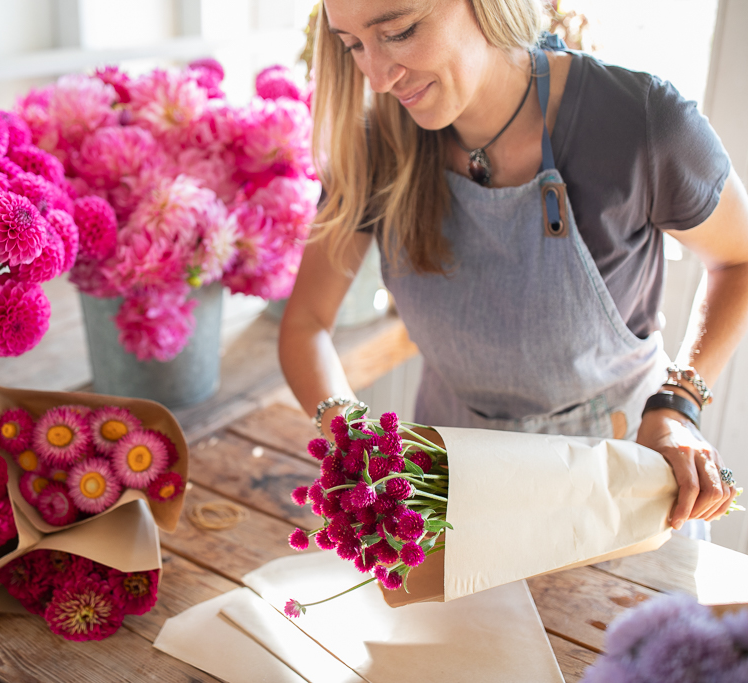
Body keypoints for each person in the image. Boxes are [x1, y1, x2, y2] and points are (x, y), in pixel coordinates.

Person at [278, 0, 748, 532]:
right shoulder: (375, 146)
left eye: (401, 32)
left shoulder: (641, 123)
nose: (379, 78)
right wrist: (349, 434)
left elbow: (740, 259)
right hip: (450, 489)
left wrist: (679, 403)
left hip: (625, 482)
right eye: (354, 46)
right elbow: (306, 325)